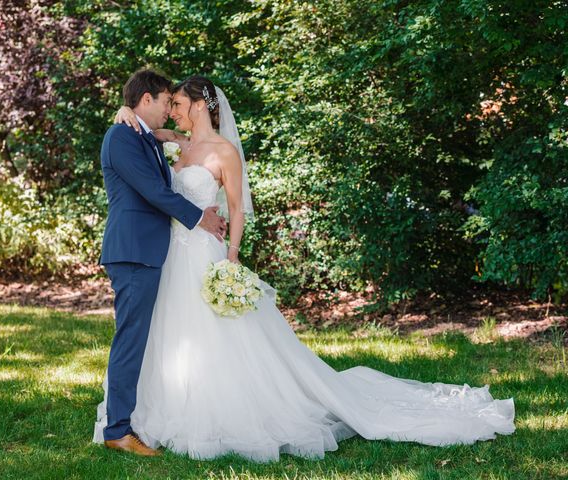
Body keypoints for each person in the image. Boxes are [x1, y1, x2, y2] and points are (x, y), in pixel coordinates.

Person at [93, 75, 515, 462]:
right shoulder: (168, 144)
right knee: (163, 335)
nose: (172, 110)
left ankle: (214, 410)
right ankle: (142, 416)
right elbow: (151, 174)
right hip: (166, 254)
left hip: (198, 253)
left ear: (201, 106)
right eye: (167, 103)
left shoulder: (222, 151)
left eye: (178, 103)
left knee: (214, 335)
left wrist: (233, 256)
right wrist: (126, 111)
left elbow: (237, 209)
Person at [97, 70, 226, 457]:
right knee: (131, 340)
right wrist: (201, 217)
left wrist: (166, 136)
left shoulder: (138, 134)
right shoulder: (121, 135)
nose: (171, 110)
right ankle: (118, 430)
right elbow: (153, 191)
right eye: (167, 101)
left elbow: (154, 150)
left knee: (139, 339)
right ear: (147, 100)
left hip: (146, 251)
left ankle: (127, 421)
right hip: (134, 251)